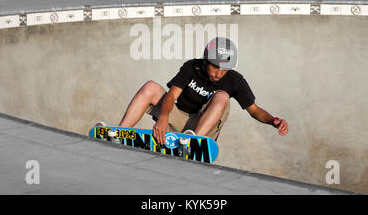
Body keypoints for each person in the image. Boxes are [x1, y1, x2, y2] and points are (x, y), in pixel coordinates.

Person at [119, 37, 288, 145]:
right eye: (215, 67)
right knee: (150, 87)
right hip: (179, 119)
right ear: (206, 62)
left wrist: (273, 120)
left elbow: (255, 110)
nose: (218, 74)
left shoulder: (235, 80)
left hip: (203, 129)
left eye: (224, 70)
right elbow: (172, 95)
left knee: (222, 96)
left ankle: (192, 143)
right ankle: (119, 134)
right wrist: (163, 118)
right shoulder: (191, 67)